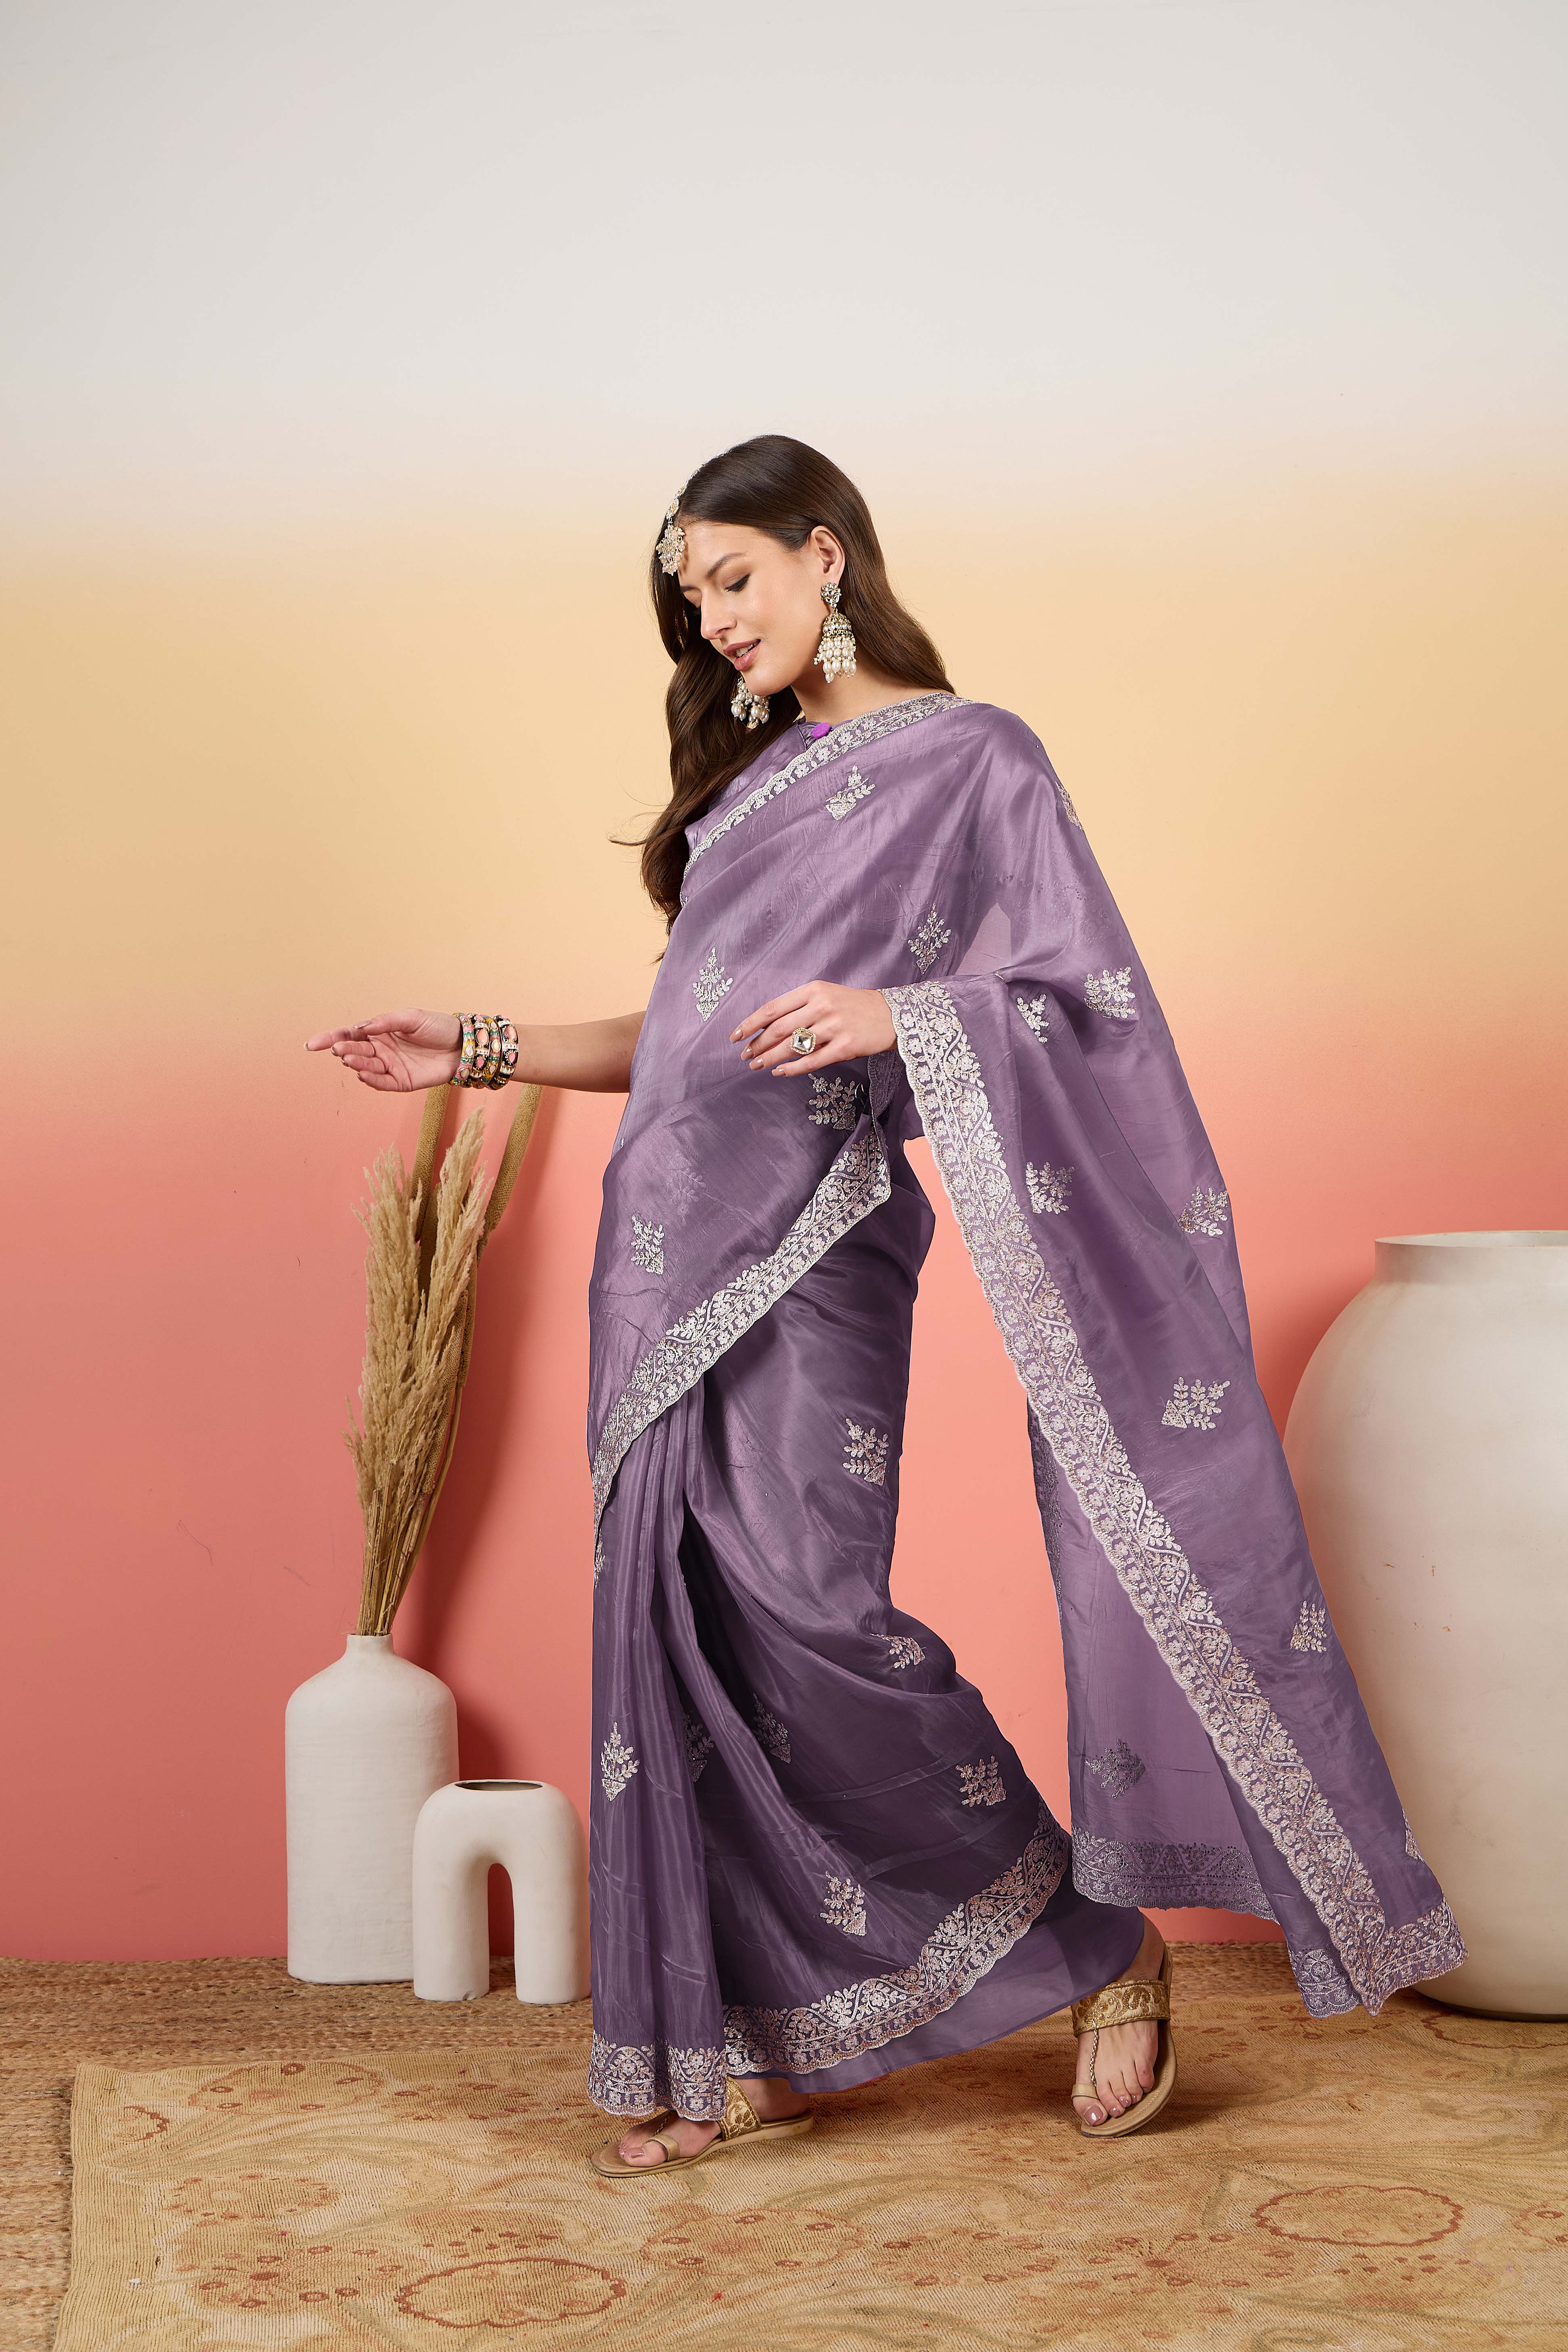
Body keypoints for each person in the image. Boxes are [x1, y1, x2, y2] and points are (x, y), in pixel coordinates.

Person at [309, 434, 1462, 2172]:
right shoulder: (746, 794)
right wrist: (472, 1045)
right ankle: (767, 2030)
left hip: (817, 1234)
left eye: (734, 578)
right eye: (690, 599)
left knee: (811, 1612)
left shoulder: (974, 757)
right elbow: (684, 1036)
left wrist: (903, 1017)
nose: (713, 621)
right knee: (693, 1634)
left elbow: (1087, 1006)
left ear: (825, 553)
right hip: (662, 1260)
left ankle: (1098, 1950)